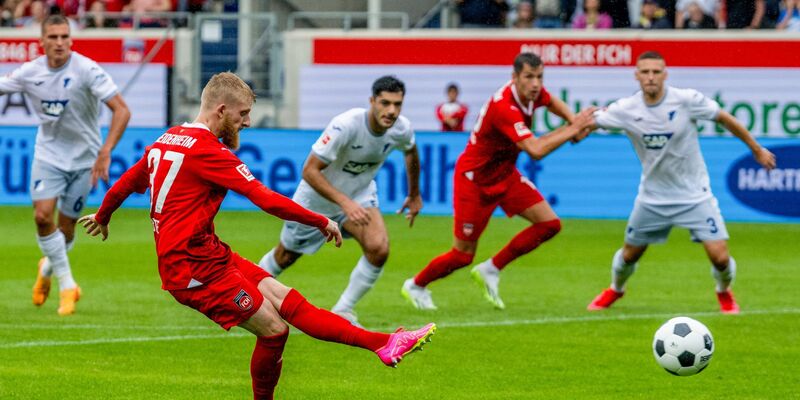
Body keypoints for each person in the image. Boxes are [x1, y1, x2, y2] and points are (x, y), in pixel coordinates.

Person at [77, 72, 436, 400]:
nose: (247, 122)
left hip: (210, 254)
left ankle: (386, 343)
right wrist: (321, 220)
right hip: (189, 269)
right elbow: (263, 198)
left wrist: (105, 214)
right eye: (243, 114)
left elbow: (131, 180)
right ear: (221, 110)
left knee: (292, 303)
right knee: (275, 330)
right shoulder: (209, 151)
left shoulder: (169, 138)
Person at [585, 51, 776, 314]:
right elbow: (589, 122)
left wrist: (756, 148)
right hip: (652, 198)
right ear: (637, 76)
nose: (650, 77)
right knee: (629, 255)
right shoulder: (626, 108)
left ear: (665, 74)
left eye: (656, 72)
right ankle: (616, 288)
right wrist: (573, 131)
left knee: (720, 257)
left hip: (694, 195)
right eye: (645, 72)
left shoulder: (686, 100)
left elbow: (724, 118)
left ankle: (723, 292)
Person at [401, 52, 595, 310]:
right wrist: (573, 128)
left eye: (539, 77)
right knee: (462, 255)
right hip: (475, 181)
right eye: (529, 77)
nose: (536, 83)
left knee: (549, 224)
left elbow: (552, 102)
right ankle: (415, 285)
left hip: (505, 175)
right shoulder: (504, 106)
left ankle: (491, 269)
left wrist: (573, 120)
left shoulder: (532, 94)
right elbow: (535, 150)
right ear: (514, 78)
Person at [257, 76, 422, 327]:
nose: (391, 111)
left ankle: (343, 310)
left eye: (397, 104)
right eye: (385, 103)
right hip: (316, 200)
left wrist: (414, 194)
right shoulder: (345, 125)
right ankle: (247, 293)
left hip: (359, 194)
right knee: (286, 256)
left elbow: (411, 151)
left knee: (379, 248)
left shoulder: (401, 128)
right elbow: (309, 170)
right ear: (372, 101)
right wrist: (345, 204)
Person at [0, 14, 131, 315]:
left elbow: (122, 110)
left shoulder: (86, 69)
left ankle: (46, 269)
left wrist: (106, 150)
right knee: (42, 216)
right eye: (53, 37)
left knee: (66, 228)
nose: (60, 43)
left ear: (71, 39)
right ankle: (67, 284)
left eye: (64, 37)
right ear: (42, 42)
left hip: (85, 159)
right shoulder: (30, 72)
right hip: (48, 155)